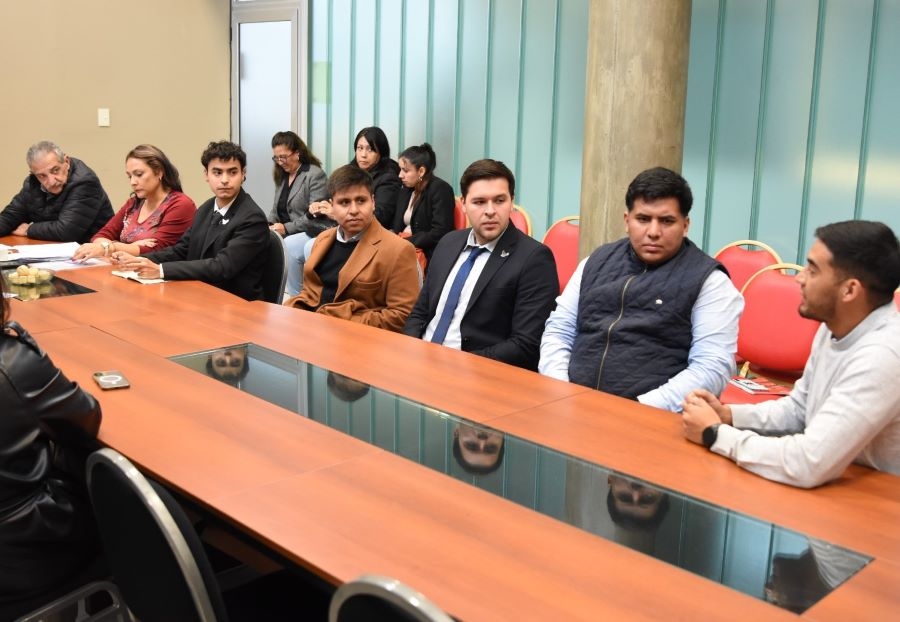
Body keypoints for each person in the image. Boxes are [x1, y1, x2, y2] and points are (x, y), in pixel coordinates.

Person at [683, 220, 900, 488]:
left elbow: (808, 462)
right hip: (840, 479)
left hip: (876, 495)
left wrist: (714, 434)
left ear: (850, 290)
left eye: (813, 270)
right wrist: (729, 415)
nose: (800, 277)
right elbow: (799, 410)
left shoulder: (883, 356)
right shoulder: (835, 325)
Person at [539, 166, 743, 411]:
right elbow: (559, 330)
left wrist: (640, 408)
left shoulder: (710, 281)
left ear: (685, 225)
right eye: (643, 219)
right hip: (570, 404)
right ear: (627, 221)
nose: (653, 232)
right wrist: (561, 388)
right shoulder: (596, 261)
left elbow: (711, 368)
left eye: (667, 221)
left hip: (651, 416)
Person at [0, 274, 102, 613]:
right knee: (125, 507)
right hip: (25, 555)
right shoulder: (12, 362)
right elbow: (85, 417)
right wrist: (32, 353)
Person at [404, 159, 559, 371]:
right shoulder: (448, 242)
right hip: (419, 362)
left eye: (499, 200)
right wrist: (411, 349)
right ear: (463, 204)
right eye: (479, 202)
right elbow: (421, 311)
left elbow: (526, 344)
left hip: (475, 372)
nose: (490, 211)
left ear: (511, 202)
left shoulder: (534, 259)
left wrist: (457, 365)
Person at [112, 141, 270, 301]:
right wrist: (141, 260)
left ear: (243, 174)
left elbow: (221, 266)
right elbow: (181, 250)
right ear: (206, 175)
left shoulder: (252, 218)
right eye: (217, 172)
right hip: (202, 295)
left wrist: (160, 270)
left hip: (236, 303)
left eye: (232, 172)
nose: (224, 180)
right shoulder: (206, 208)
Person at [285, 164, 419, 332]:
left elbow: (403, 316)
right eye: (344, 202)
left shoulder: (398, 250)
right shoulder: (322, 240)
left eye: (361, 201)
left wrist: (339, 322)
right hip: (311, 329)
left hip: (356, 337)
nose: (354, 210)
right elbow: (311, 294)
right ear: (332, 206)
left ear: (373, 202)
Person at [72, 144, 196, 261]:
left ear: (159, 172)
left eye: (139, 174)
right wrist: (128, 246)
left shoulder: (180, 204)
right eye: (129, 176)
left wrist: (111, 247)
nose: (133, 182)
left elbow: (157, 249)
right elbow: (100, 236)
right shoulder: (133, 203)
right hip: (126, 269)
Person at [0, 140, 114, 243]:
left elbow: (67, 231)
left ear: (66, 161)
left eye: (55, 170)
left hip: (92, 250)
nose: (51, 181)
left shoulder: (85, 182)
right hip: (54, 248)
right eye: (42, 176)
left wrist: (28, 229)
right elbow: (10, 216)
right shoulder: (33, 183)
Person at [267, 131, 332, 296]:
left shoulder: (314, 174)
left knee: (289, 244)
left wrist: (286, 228)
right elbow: (276, 209)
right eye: (276, 158)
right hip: (287, 230)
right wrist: (267, 225)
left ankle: (297, 296)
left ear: (297, 153)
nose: (280, 162)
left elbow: (315, 214)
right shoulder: (282, 175)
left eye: (284, 157)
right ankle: (279, 294)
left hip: (312, 230)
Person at [391, 142, 455, 265]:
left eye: (405, 171)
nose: (400, 175)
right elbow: (397, 224)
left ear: (421, 171)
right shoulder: (406, 190)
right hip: (403, 248)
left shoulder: (440, 189)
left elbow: (440, 232)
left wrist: (406, 241)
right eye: (400, 169)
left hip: (428, 253)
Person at [346, 126, 400, 227]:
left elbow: (380, 216)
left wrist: (338, 214)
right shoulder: (348, 171)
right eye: (360, 148)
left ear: (381, 153)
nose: (363, 155)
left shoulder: (388, 178)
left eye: (370, 150)